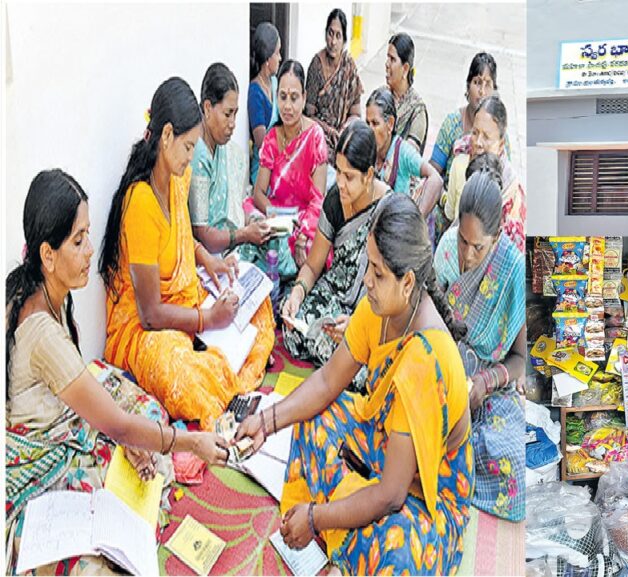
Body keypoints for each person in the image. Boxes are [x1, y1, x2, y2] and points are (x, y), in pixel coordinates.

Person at [234, 193, 473, 575]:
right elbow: (328, 379)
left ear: (408, 282)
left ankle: (336, 530)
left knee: (397, 550)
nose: (367, 281)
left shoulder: (426, 359)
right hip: (384, 439)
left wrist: (316, 518)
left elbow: (392, 494)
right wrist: (267, 421)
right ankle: (341, 521)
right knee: (312, 420)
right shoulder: (379, 308)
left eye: (377, 273)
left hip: (427, 491)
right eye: (369, 265)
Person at [6, 170, 228, 575]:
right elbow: (118, 425)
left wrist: (128, 435)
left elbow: (103, 410)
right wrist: (192, 442)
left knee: (147, 415)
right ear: (47, 255)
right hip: (40, 461)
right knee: (97, 562)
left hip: (65, 419)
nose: (90, 250)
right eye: (78, 241)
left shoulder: (47, 288)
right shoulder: (41, 331)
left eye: (88, 235)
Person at [100, 77, 275, 431]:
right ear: (166, 136)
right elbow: (150, 314)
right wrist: (208, 319)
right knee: (179, 370)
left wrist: (208, 260)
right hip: (146, 331)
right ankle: (222, 366)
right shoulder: (140, 202)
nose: (191, 156)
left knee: (256, 300)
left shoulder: (177, 179)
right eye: (188, 146)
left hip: (185, 301)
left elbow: (181, 239)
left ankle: (223, 359)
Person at [434, 172, 526, 522]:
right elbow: (429, 323)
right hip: (443, 368)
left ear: (497, 237)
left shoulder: (512, 269)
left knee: (514, 468)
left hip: (488, 389)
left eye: (479, 247)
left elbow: (519, 359)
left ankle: (445, 464)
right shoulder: (446, 251)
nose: (468, 255)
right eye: (463, 241)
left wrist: (484, 383)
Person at [281, 120, 390, 367]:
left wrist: (358, 323)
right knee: (294, 327)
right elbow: (313, 266)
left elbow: (389, 292)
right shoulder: (335, 198)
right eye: (338, 171)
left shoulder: (388, 211)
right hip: (332, 296)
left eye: (349, 176)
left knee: (360, 357)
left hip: (369, 308)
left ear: (368, 175)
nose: (340, 182)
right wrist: (297, 294)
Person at [245, 60, 329, 277]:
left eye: (294, 98)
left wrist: (302, 232)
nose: (288, 106)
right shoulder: (271, 138)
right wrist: (275, 216)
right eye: (282, 97)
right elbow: (258, 193)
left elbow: (318, 200)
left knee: (311, 248)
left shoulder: (315, 136)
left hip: (304, 220)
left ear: (304, 98)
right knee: (247, 215)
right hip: (277, 216)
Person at [189, 62, 274, 255]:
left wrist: (253, 221)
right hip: (209, 255)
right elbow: (203, 235)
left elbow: (233, 210)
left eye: (235, 114)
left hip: (228, 243)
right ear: (208, 108)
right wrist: (245, 234)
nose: (233, 123)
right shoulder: (199, 157)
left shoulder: (223, 148)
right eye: (228, 114)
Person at [445, 95, 526, 253]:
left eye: (487, 137)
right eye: (475, 133)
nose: (478, 142)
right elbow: (450, 215)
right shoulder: (460, 163)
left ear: (501, 145)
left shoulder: (511, 193)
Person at [365, 87, 442, 217]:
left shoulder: (402, 151)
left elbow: (436, 179)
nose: (370, 130)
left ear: (390, 124)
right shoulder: (367, 149)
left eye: (375, 123)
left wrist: (416, 220)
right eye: (367, 123)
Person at [429, 52, 502, 181]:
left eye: (487, 85)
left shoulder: (498, 132)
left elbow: (504, 177)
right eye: (477, 82)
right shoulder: (452, 123)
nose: (482, 91)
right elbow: (433, 169)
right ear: (468, 86)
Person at [305, 8, 364, 153]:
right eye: (330, 33)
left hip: (342, 135)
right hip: (319, 134)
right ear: (325, 34)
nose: (333, 42)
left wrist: (343, 130)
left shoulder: (349, 66)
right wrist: (328, 130)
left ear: (344, 40)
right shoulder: (316, 65)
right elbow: (308, 115)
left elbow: (356, 113)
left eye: (338, 36)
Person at [249, 21, 282, 185]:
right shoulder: (255, 92)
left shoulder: (275, 83)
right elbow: (262, 143)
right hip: (264, 169)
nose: (280, 58)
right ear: (268, 58)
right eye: (278, 53)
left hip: (280, 159)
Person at [384, 32, 428, 153]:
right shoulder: (381, 96)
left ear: (405, 68)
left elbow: (409, 153)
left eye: (392, 59)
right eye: (387, 58)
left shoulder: (417, 110)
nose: (386, 64)